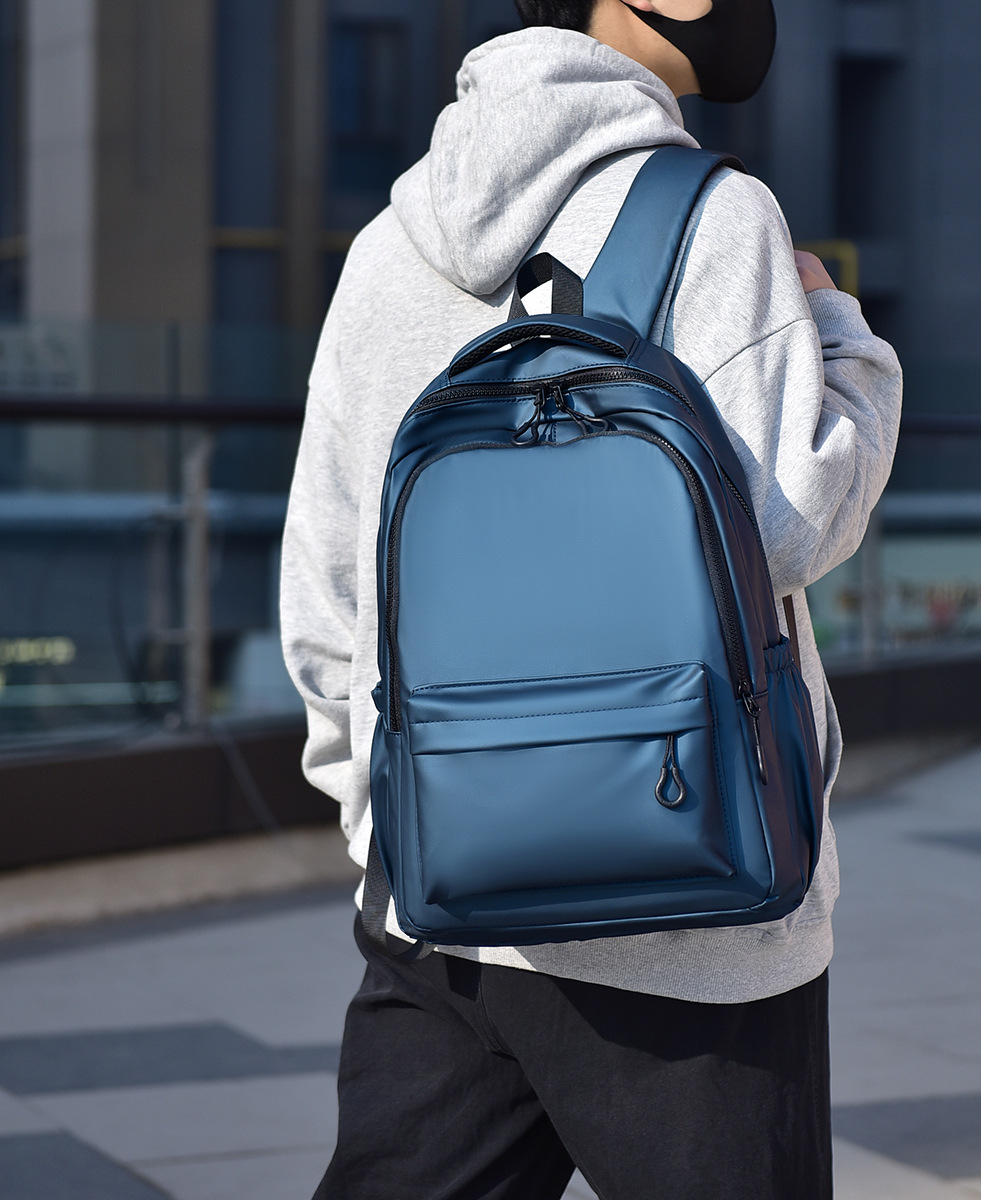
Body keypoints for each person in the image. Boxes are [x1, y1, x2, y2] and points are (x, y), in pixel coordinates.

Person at [280, 1, 902, 1196]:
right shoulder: (716, 216)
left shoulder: (389, 246)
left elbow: (329, 592)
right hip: (697, 915)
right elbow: (787, 525)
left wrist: (393, 837)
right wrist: (845, 343)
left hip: (446, 903)